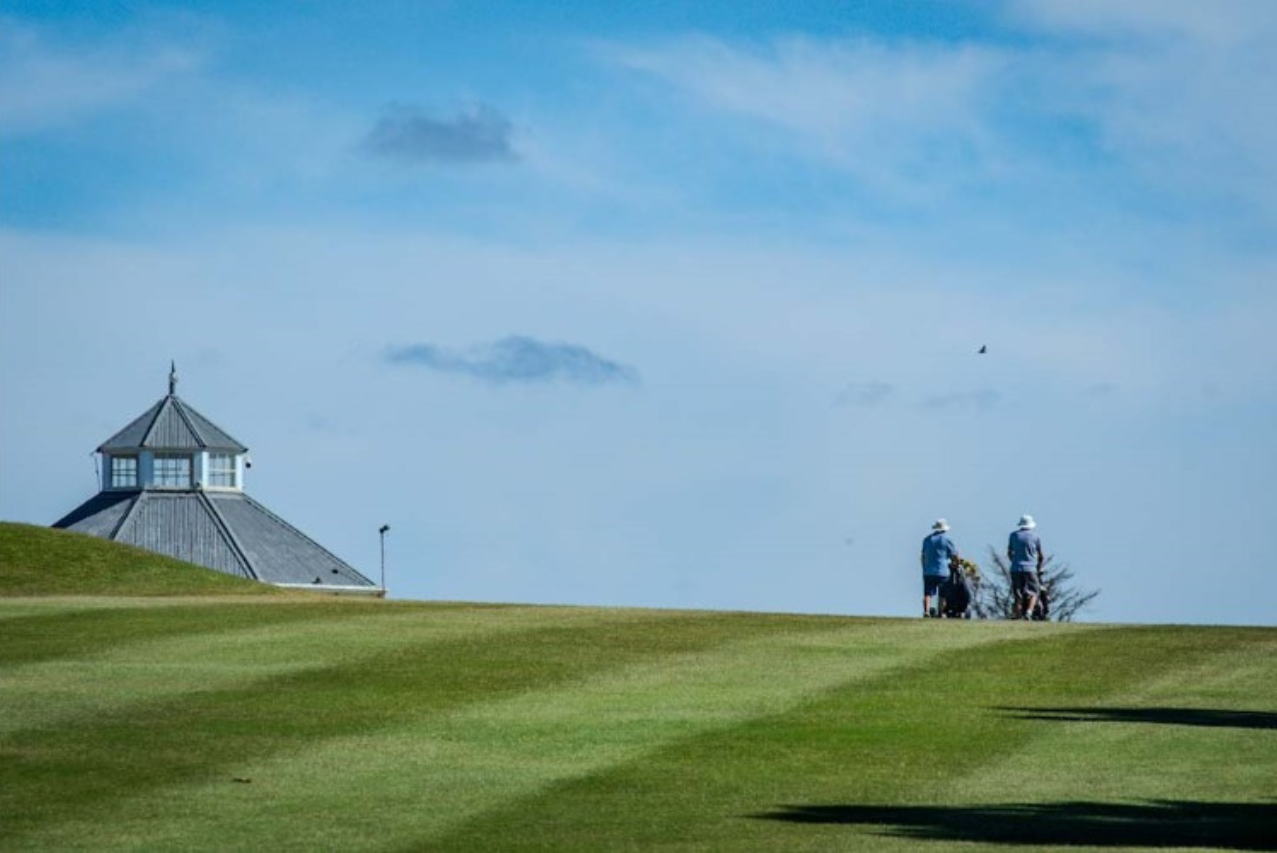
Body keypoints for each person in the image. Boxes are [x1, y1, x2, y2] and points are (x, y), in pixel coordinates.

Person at [1007, 514, 1044, 619]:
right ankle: (1029, 612)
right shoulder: (1036, 537)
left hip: (1015, 568)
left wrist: (1014, 561)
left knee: (1017, 594)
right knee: (1034, 591)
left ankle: (1018, 615)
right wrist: (1039, 567)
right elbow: (1041, 555)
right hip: (1031, 568)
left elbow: (1009, 552)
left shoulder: (1013, 535)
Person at [920, 519, 959, 618]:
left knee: (927, 593)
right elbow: (954, 555)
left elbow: (923, 556)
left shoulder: (927, 539)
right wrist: (956, 564)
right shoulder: (947, 540)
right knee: (943, 594)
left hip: (929, 570)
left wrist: (924, 568)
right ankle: (940, 612)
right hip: (943, 571)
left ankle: (926, 611)